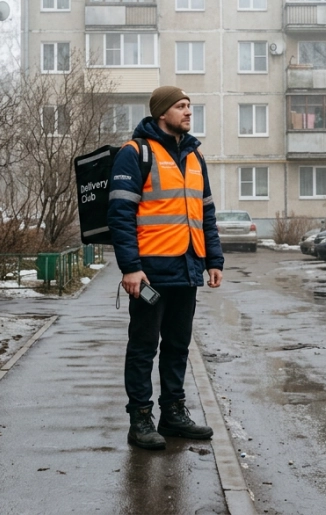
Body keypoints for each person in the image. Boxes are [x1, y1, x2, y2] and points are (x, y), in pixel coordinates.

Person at [108, 86, 224, 450]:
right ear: (162, 113)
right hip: (150, 272)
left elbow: (206, 212)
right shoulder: (135, 153)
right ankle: (140, 419)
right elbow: (121, 215)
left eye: (190, 105)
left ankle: (173, 414)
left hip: (187, 267)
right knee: (143, 346)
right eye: (180, 106)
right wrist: (130, 267)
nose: (188, 112)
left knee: (178, 346)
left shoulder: (194, 155)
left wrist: (214, 260)